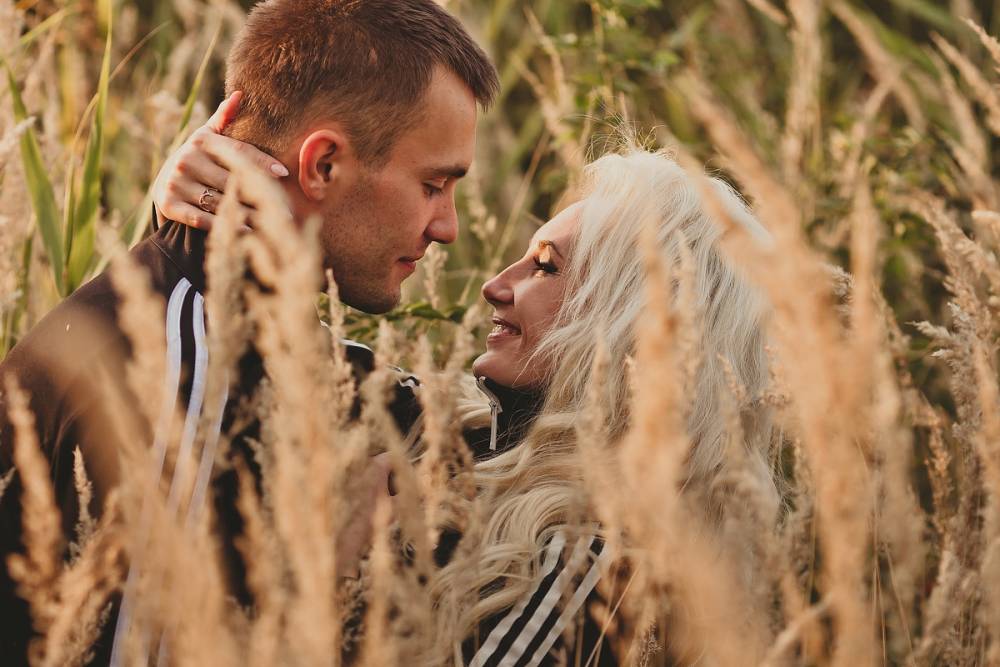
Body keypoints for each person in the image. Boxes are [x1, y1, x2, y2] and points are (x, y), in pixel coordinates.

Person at [158, 128, 778, 664]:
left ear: (629, 321)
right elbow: (257, 339)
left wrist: (328, 574)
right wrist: (183, 215)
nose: (495, 285)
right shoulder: (452, 429)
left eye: (545, 266)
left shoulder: (587, 566)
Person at [0, 1, 498, 665]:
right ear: (322, 165)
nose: (448, 228)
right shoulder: (185, 371)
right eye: (433, 185)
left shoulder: (238, 336)